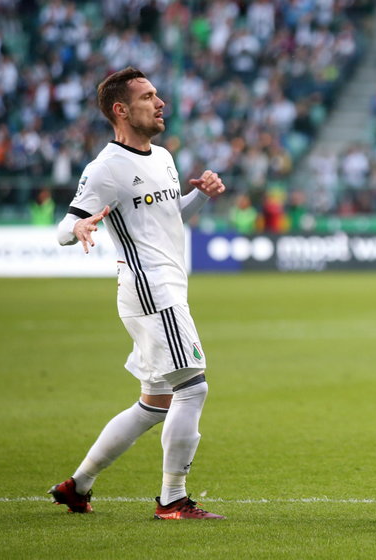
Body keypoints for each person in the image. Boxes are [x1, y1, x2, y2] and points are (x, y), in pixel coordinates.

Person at [50, 67, 226, 520]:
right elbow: (64, 227)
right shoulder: (106, 167)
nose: (160, 102)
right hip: (151, 289)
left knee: (154, 404)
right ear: (121, 110)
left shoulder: (163, 157)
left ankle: (78, 485)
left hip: (164, 286)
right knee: (194, 387)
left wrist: (201, 196)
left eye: (158, 94)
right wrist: (80, 226)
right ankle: (173, 498)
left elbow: (167, 219)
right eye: (148, 96)